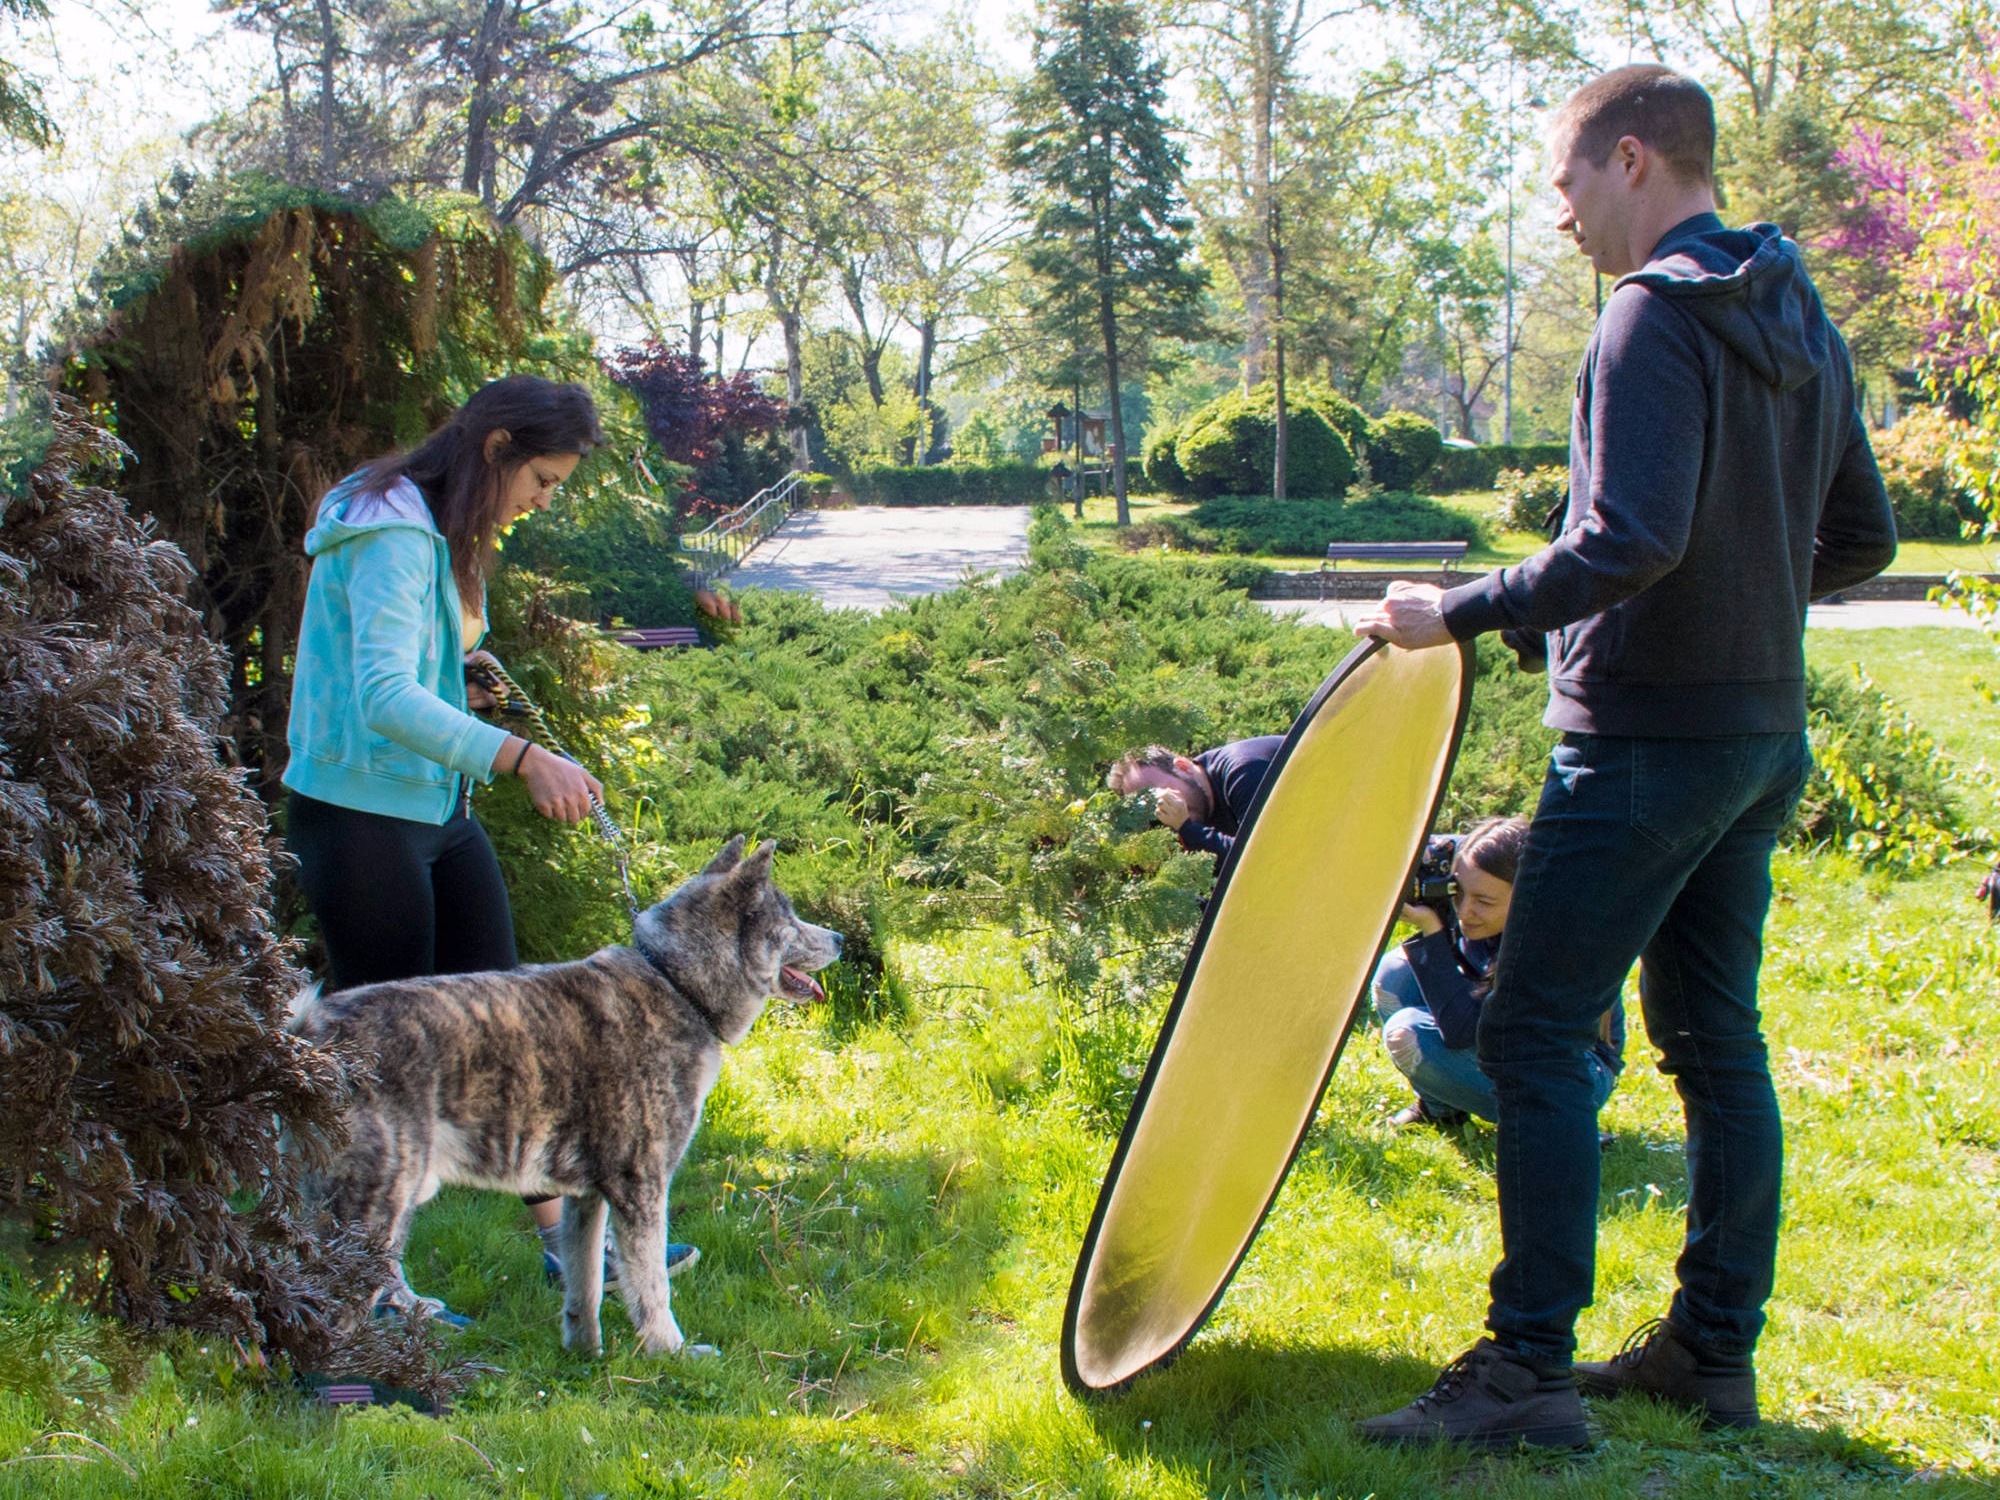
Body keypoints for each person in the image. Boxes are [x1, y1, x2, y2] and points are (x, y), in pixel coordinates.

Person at [1352, 65, 1897, 1450]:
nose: (1562, 219)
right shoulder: (1797, 314)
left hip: (1648, 740)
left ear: (1635, 160)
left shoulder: (1649, 317)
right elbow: (1863, 543)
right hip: (1759, 734)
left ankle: (1525, 1372)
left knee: (1534, 1031)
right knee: (1718, 1045)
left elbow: (1629, 539)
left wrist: (1454, 612)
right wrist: (1749, 600)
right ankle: (1711, 1353)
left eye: (1565, 185)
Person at [283, 375, 700, 1315]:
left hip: (437, 813)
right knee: (387, 1064)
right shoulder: (390, 527)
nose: (541, 501)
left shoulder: (441, 524)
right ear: (498, 447)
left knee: (510, 1022)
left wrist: (467, 676)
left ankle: (563, 1247)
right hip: (359, 817)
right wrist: (520, 757)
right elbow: (383, 698)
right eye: (543, 479)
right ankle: (364, 1293)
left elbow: (415, 666)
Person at [1373, 817, 1623, 1131]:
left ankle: (1554, 1125)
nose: (1464, 912)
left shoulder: (1551, 945)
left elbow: (1462, 1029)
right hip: (1498, 1034)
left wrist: (1431, 930)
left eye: (1484, 902)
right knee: (1395, 974)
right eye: (1456, 891)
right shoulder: (1475, 866)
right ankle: (1441, 1108)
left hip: (1572, 1073)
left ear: (1528, 897)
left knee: (1407, 1033)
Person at [1105, 736, 1284, 870]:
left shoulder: (1244, 770)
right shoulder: (1192, 816)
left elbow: (1264, 857)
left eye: (1159, 792)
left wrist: (1187, 828)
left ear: (1184, 767)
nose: (1162, 806)